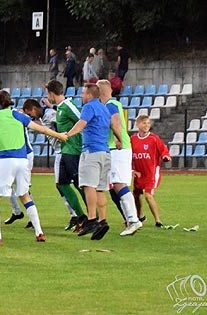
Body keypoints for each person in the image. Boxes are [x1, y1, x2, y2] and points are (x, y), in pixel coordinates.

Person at [0, 90, 67, 245]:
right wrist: (60, 136)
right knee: (25, 195)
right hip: (22, 160)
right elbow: (42, 129)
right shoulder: (18, 115)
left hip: (6, 159)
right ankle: (39, 232)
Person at [65, 83, 122, 240]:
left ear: (90, 95)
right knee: (101, 188)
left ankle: (91, 220)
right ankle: (102, 220)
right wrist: (120, 138)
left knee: (88, 186)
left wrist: (67, 135)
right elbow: (113, 125)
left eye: (83, 93)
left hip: (92, 151)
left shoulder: (89, 107)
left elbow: (82, 124)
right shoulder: (104, 107)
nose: (82, 96)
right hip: (105, 152)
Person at [23, 96, 86, 231]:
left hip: (64, 151)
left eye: (30, 114)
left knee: (71, 184)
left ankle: (83, 216)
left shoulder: (49, 114)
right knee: (65, 184)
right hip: (61, 151)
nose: (31, 117)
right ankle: (79, 215)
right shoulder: (42, 116)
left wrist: (52, 108)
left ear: (34, 109)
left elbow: (61, 119)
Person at [97, 79, 143, 236]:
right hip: (120, 149)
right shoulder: (113, 103)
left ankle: (134, 220)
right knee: (117, 185)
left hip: (117, 150)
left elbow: (116, 121)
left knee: (118, 184)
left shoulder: (110, 105)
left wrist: (118, 139)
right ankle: (132, 220)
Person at [41, 80, 87, 231]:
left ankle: (94, 217)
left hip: (73, 150)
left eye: (48, 93)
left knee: (80, 185)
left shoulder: (68, 105)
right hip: (65, 150)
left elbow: (83, 119)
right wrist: (51, 106)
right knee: (62, 184)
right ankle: (82, 217)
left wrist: (73, 136)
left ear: (52, 93)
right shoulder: (61, 108)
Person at [131, 115, 171, 227]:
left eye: (148, 123)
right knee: (136, 194)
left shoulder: (153, 138)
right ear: (137, 125)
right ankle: (140, 216)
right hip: (139, 173)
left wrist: (165, 156)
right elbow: (129, 155)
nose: (147, 125)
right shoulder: (133, 139)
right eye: (144, 123)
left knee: (148, 196)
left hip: (151, 173)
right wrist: (132, 169)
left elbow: (163, 150)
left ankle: (158, 221)